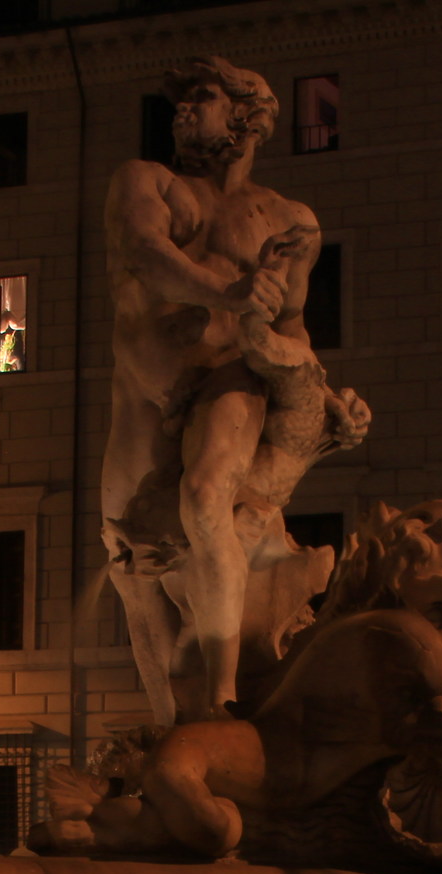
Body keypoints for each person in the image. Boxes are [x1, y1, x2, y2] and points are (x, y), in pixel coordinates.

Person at [102, 56, 344, 725]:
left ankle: (221, 696)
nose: (183, 110)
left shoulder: (288, 220)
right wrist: (228, 291)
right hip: (145, 390)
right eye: (181, 101)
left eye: (201, 97)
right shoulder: (145, 182)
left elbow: (292, 324)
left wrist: (324, 397)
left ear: (245, 115)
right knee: (126, 557)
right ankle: (164, 733)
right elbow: (145, 253)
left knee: (206, 497)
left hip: (228, 379)